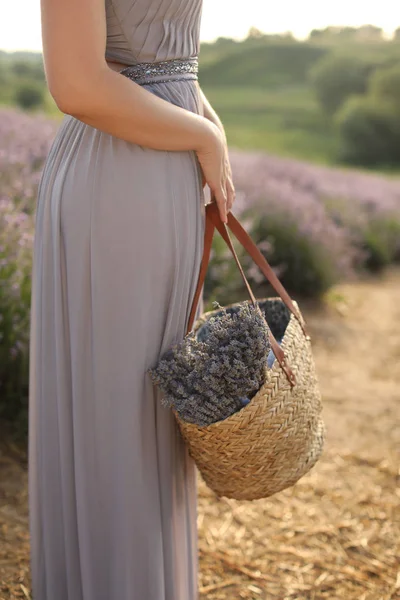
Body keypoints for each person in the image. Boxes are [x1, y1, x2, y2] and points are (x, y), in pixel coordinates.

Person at [28, 0, 235, 599]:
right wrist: (203, 136)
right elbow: (76, 83)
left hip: (164, 170)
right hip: (116, 178)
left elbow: (175, 63)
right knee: (118, 411)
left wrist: (209, 131)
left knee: (153, 417)